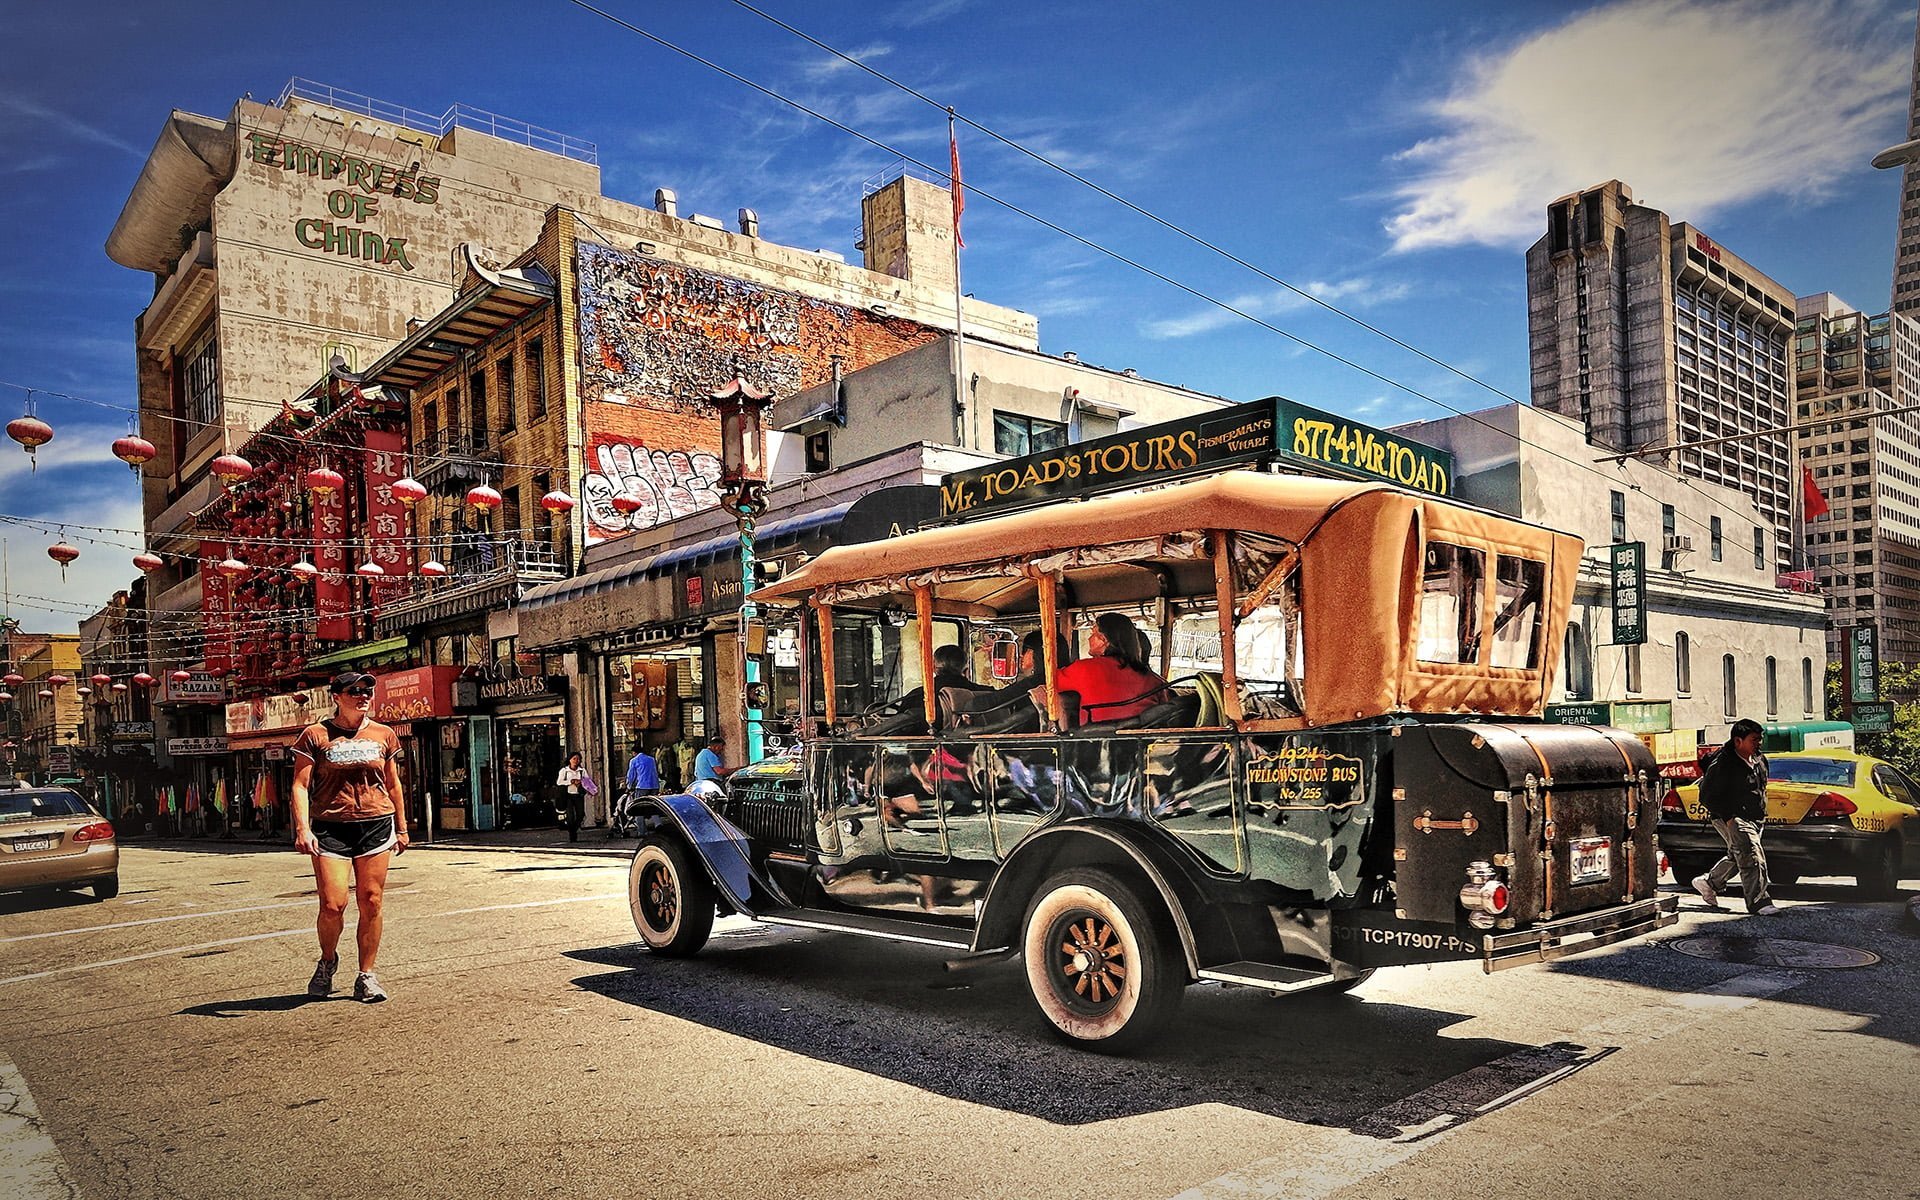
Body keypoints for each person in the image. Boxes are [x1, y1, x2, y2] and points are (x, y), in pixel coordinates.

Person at [291, 672, 408, 1003]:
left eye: (368, 690)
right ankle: (328, 960)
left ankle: (366, 975)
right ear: (336, 697)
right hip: (330, 826)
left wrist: (402, 827)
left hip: (375, 823)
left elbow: (393, 783)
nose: (363, 696)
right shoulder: (315, 735)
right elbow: (300, 785)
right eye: (354, 691)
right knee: (333, 904)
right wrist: (302, 828)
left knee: (371, 900)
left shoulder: (384, 734)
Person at [1692, 717, 1779, 916]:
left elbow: (1761, 786)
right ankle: (1759, 901)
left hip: (1756, 817)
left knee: (1738, 855)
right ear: (1738, 741)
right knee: (1752, 856)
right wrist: (1729, 817)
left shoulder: (1758, 758)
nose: (1759, 743)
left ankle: (1709, 883)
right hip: (1733, 817)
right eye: (1754, 739)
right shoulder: (1723, 764)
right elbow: (1707, 796)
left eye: (1759, 739)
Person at [1053, 613, 1168, 724]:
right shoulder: (1155, 681)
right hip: (1142, 741)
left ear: (1104, 639)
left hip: (1093, 741)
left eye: (1092, 633)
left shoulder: (1083, 669)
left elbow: (1049, 683)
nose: (1089, 639)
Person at [615, 744, 659, 838]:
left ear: (634, 752)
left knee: (639, 809)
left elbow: (631, 776)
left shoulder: (634, 761)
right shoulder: (651, 759)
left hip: (642, 786)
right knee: (654, 806)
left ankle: (642, 831)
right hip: (654, 785)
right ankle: (658, 826)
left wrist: (629, 786)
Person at [556, 752, 587, 842]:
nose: (576, 761)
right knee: (570, 816)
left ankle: (574, 829)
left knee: (580, 814)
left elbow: (587, 781)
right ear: (569, 760)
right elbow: (559, 782)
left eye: (578, 759)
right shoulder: (564, 771)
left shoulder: (582, 771)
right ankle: (572, 834)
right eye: (574, 759)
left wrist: (580, 782)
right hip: (568, 795)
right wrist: (571, 781)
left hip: (578, 795)